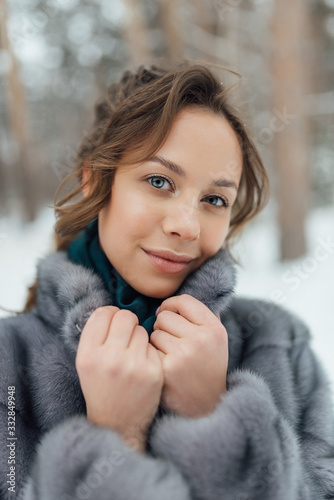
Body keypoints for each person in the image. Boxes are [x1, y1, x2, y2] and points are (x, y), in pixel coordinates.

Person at [0, 62, 333, 500]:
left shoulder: (279, 343)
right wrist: (114, 437)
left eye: (214, 199)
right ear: (95, 181)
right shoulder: (9, 361)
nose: (187, 226)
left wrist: (212, 418)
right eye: (159, 181)